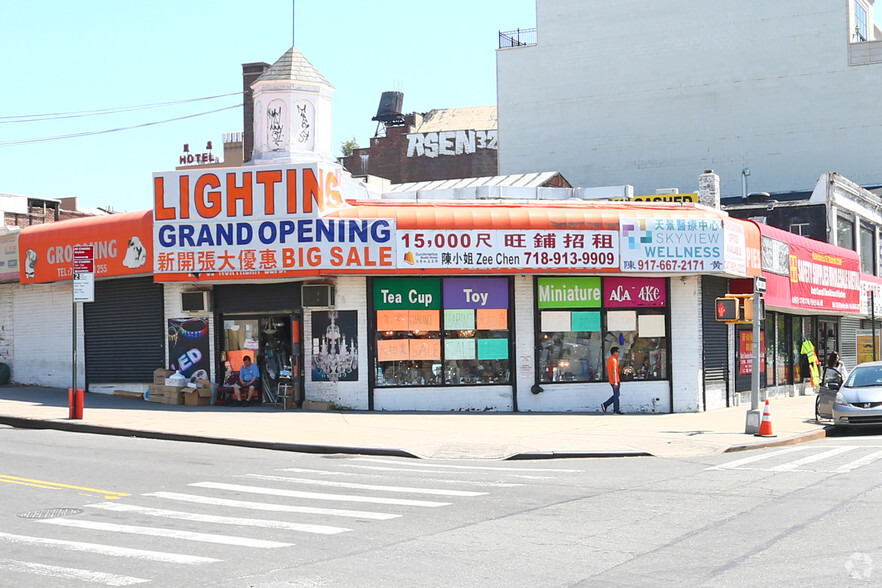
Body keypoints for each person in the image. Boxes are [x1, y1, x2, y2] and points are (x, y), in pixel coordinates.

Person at [601, 346, 623, 414]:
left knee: (616, 394)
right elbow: (614, 371)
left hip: (611, 380)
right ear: (614, 352)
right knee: (616, 396)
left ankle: (606, 405)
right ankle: (615, 410)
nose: (619, 353)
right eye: (618, 351)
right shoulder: (613, 360)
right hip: (614, 380)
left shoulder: (610, 359)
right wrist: (616, 381)